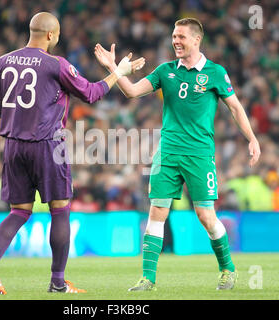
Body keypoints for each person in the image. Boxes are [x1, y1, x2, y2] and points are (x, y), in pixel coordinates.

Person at [0, 11, 145, 295]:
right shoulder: (56, 64)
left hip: (13, 146)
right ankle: (57, 282)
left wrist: (18, 112)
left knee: (19, 211)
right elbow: (92, 93)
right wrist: (119, 72)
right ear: (52, 35)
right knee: (60, 210)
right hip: (47, 145)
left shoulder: (1, 62)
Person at [94, 17, 261, 291]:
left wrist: (252, 138)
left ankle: (228, 269)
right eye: (174, 36)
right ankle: (148, 278)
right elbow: (133, 92)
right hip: (167, 153)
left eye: (181, 37)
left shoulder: (215, 73)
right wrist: (114, 67)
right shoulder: (165, 71)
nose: (176, 41)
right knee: (157, 210)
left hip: (199, 154)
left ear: (196, 39)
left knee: (206, 215)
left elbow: (235, 108)